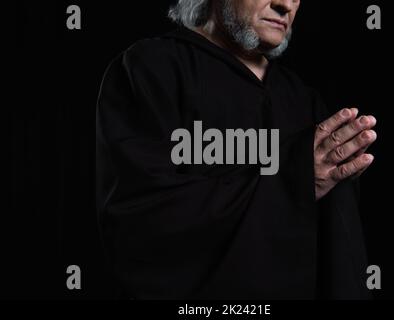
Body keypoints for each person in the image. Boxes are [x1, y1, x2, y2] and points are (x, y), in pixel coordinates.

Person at [96, 0, 377, 299]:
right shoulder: (151, 69)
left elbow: (341, 258)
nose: (285, 5)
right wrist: (292, 180)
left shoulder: (305, 101)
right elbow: (140, 225)